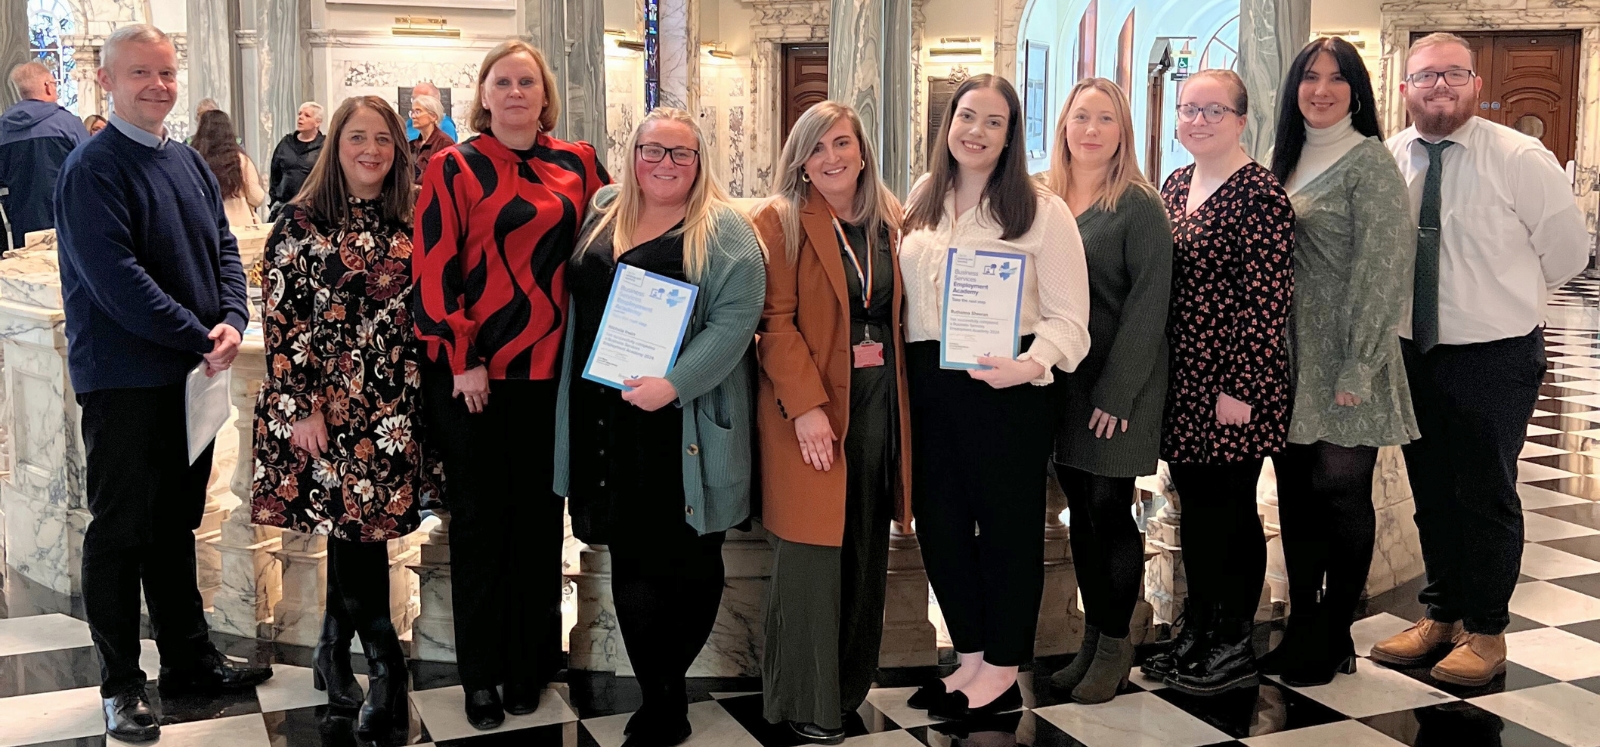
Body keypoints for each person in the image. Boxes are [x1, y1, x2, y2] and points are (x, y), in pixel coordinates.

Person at [53, 24, 272, 742]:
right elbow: (117, 281)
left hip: (191, 379)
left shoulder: (187, 162)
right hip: (124, 382)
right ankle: (120, 683)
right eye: (141, 73)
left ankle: (187, 660)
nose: (158, 85)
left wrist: (233, 317)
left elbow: (224, 252)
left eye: (167, 72)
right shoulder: (92, 168)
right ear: (107, 82)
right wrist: (198, 332)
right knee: (120, 530)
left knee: (176, 524)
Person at [1370, 32, 1589, 687]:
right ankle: (1439, 617)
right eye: (1425, 75)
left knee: (1485, 493)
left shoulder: (1519, 156)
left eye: (1453, 75)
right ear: (1404, 86)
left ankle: (1487, 630)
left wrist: (1500, 297)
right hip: (1415, 351)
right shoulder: (1391, 157)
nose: (1439, 86)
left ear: (1474, 84)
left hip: (1494, 357)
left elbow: (1568, 252)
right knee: (1431, 492)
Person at [413, 39, 609, 730]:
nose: (517, 91)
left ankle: (530, 663)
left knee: (537, 527)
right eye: (504, 81)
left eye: (527, 81)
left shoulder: (578, 162)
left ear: (544, 93)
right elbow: (433, 269)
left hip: (552, 376)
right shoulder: (454, 164)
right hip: (478, 380)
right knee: (481, 528)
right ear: (485, 94)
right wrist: (463, 355)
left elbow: (614, 244)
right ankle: (481, 676)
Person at [555, 107, 765, 747]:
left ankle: (666, 692)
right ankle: (660, 694)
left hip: (681, 425)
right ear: (633, 153)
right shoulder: (604, 207)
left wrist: (673, 384)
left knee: (694, 562)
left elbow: (735, 322)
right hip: (604, 418)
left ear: (700, 162)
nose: (664, 164)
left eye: (680, 153)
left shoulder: (728, 232)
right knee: (630, 558)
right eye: (653, 150)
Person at [899, 74, 1090, 720]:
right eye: (966, 116)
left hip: (1008, 391)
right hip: (930, 384)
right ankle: (972, 656)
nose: (975, 132)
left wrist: (1031, 365)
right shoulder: (924, 197)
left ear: (1012, 136)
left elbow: (1071, 320)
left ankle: (1005, 667)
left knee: (1008, 531)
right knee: (942, 527)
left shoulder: (1041, 209)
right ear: (948, 122)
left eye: (994, 121)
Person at [251, 95, 440, 738]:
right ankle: (388, 669)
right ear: (335, 144)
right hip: (328, 411)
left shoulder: (410, 216)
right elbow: (283, 321)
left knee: (359, 534)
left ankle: (331, 654)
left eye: (383, 139)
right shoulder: (302, 221)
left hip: (391, 407)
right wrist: (301, 407)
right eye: (357, 137)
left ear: (399, 147)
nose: (371, 150)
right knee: (360, 541)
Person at [1260, 37, 1419, 688]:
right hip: (1288, 359)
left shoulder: (1370, 162)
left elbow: (1383, 270)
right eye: (1309, 76)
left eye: (1336, 77)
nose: (1320, 89)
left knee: (1342, 494)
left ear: (1358, 89)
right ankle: (1303, 623)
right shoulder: (1285, 161)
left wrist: (1359, 364)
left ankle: (1333, 631)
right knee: (1296, 499)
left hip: (1350, 354)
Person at [752, 101, 910, 743]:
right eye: (817, 148)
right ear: (801, 160)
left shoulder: (891, 218)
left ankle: (846, 691)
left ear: (862, 150)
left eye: (842, 143)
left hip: (879, 402)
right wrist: (807, 407)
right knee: (811, 557)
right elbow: (774, 323)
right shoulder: (780, 219)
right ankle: (803, 703)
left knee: (868, 548)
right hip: (811, 406)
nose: (832, 158)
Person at [1139, 69, 1294, 697]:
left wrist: (1242, 387)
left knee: (1228, 514)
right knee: (1196, 512)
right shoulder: (1176, 184)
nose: (1197, 120)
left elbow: (1266, 303)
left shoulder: (1260, 194)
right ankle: (1196, 628)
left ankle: (1231, 641)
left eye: (1212, 110)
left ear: (1240, 118)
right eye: (1188, 109)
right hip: (1184, 378)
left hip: (1233, 381)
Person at [1042, 78, 1172, 705]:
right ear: (1063, 126)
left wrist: (1117, 395)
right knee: (1081, 520)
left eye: (1106, 119)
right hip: (1063, 385)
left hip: (1120, 388)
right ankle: (1093, 641)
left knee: (1109, 513)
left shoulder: (1138, 205)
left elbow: (1150, 307)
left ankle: (1117, 647)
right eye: (1080, 117)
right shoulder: (1043, 200)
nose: (1091, 130)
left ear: (1124, 131)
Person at [0, 61, 87, 250]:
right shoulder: (67, 124)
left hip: (19, 222)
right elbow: (90, 169)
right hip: (67, 219)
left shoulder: (3, 128)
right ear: (47, 86)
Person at [192, 109, 266, 228]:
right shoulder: (240, 160)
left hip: (205, 226)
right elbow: (256, 198)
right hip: (239, 226)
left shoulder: (193, 159)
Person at [269, 102, 326, 219]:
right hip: (283, 207)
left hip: (313, 210)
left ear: (318, 122)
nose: (300, 117)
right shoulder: (286, 143)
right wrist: (274, 200)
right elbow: (275, 174)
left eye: (307, 115)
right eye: (299, 114)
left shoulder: (325, 146)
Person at [409, 93, 455, 184]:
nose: (413, 116)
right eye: (412, 112)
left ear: (433, 116)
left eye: (418, 112)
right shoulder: (411, 145)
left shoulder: (445, 143)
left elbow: (446, 179)